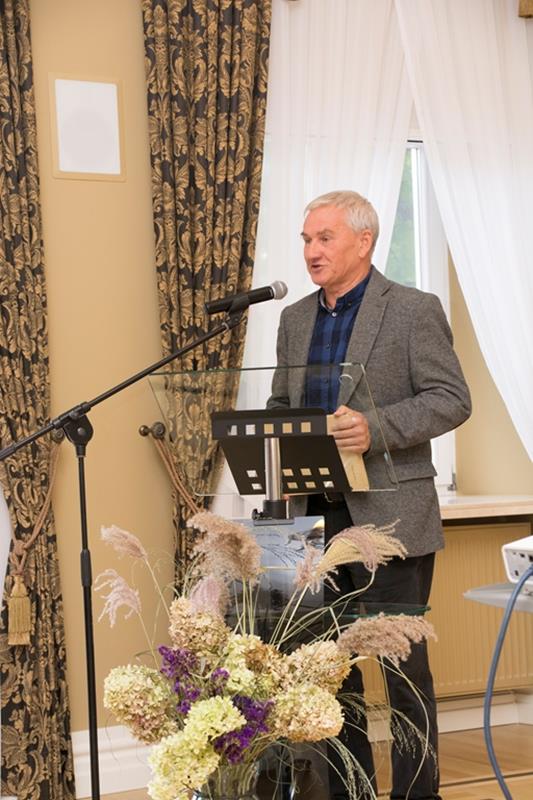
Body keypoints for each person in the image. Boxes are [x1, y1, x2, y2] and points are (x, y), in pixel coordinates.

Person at [267, 190, 472, 800]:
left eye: (324, 238)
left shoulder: (412, 309)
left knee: (401, 675)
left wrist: (374, 428)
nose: (311, 250)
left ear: (364, 241)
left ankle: (418, 795)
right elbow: (280, 403)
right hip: (312, 525)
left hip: (390, 522)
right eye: (306, 239)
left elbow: (451, 399)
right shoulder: (294, 320)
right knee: (330, 676)